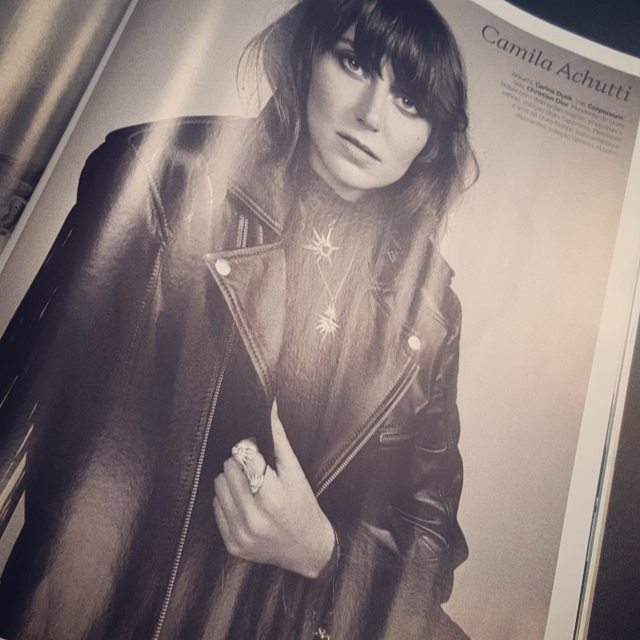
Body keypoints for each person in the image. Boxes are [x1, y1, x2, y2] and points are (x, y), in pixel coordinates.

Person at [0, 0, 478, 637]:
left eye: (410, 101)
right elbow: (22, 407)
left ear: (431, 139)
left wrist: (319, 552)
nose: (371, 115)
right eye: (354, 63)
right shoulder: (162, 174)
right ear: (307, 56)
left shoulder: (432, 311)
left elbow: (429, 549)